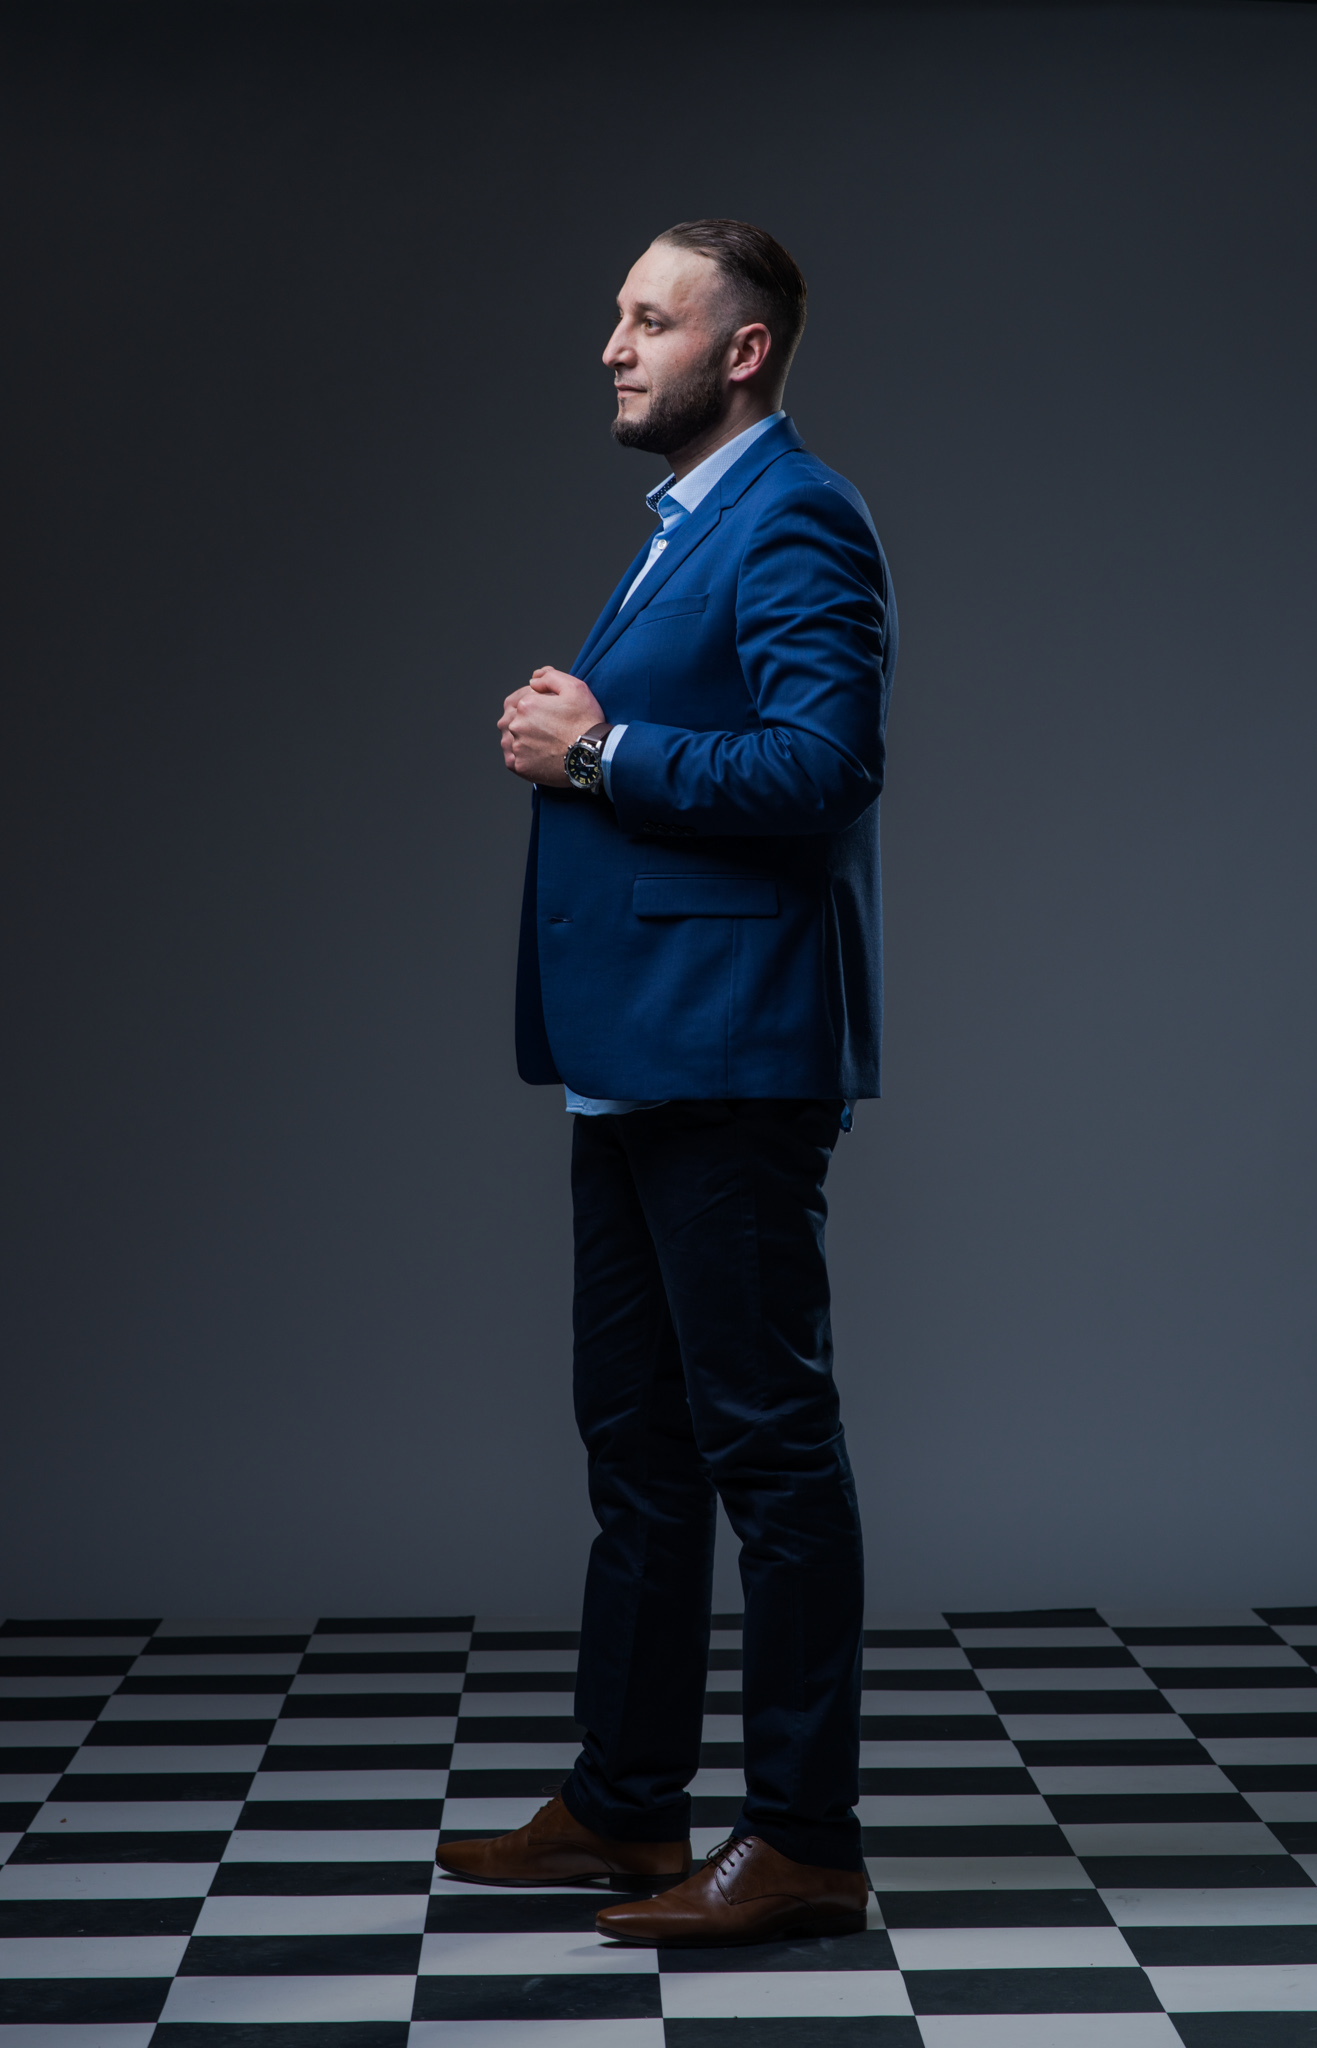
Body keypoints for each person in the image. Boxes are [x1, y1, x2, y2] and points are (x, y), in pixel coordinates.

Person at [436, 218, 896, 1947]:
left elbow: (824, 762)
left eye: (649, 319)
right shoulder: (689, 524)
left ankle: (803, 1840)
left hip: (727, 1056)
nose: (613, 346)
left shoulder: (797, 515)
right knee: (636, 1445)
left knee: (767, 1450)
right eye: (618, 318)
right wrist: (592, 739)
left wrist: (600, 748)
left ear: (743, 349)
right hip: (633, 1056)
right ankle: (629, 1804)